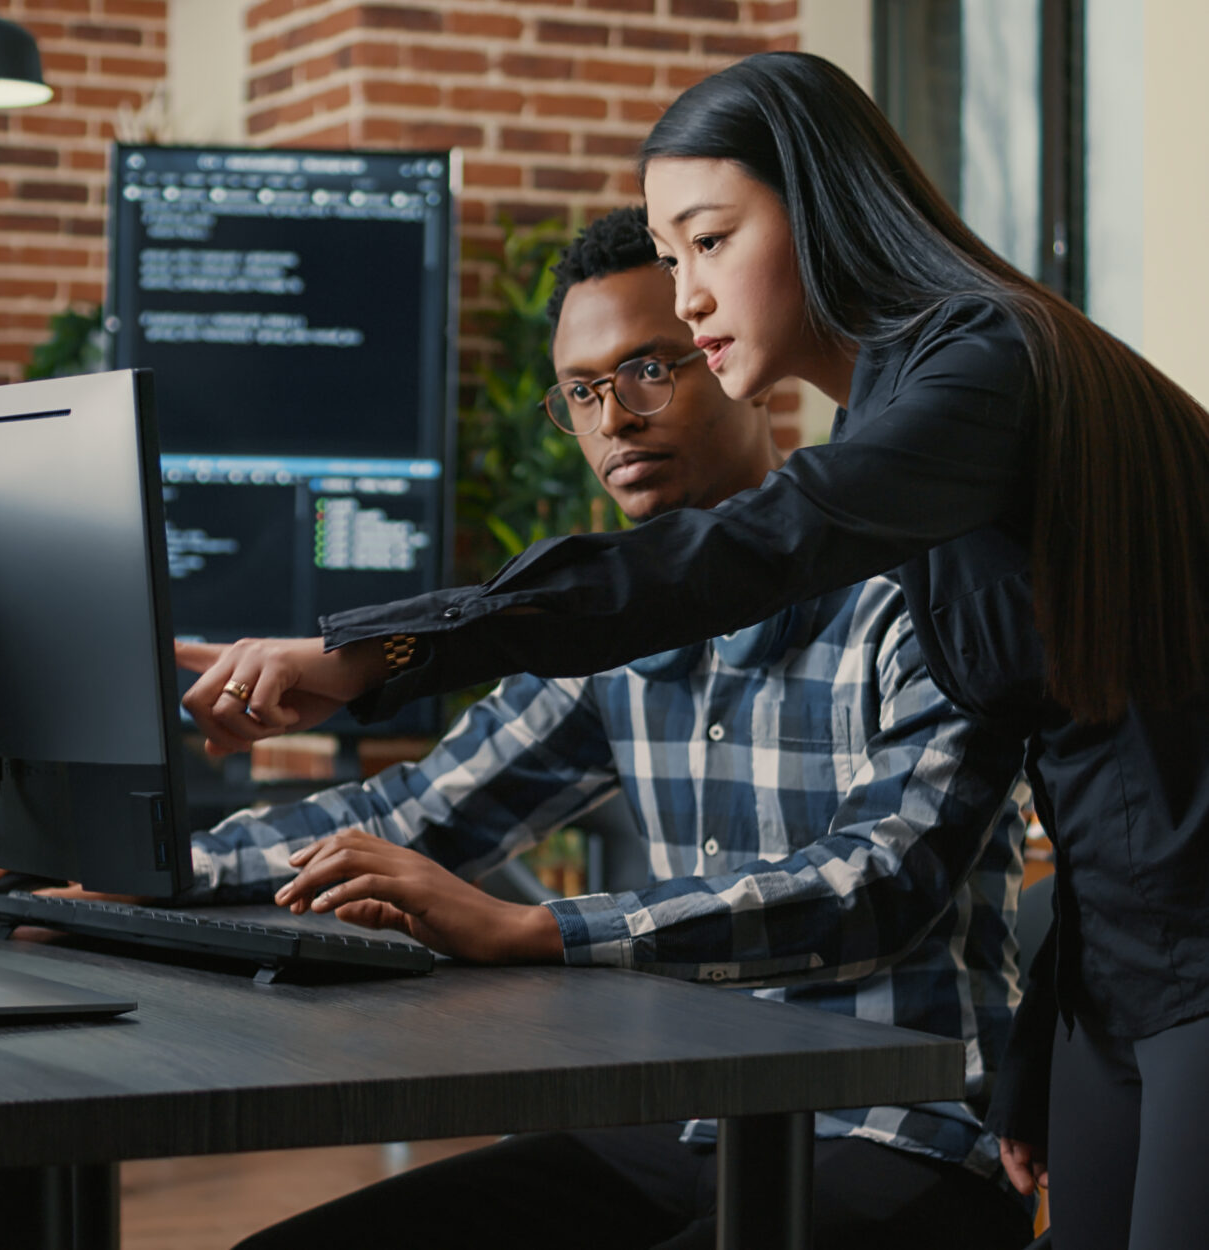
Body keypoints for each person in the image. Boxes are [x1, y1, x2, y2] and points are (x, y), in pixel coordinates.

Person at [181, 54, 1209, 1250]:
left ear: (821, 205)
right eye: (672, 259)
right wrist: (1043, 1033)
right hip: (1114, 983)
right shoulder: (914, 423)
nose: (692, 296)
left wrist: (381, 648)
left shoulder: (982, 363)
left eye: (711, 242)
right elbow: (1106, 751)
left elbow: (746, 552)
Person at [77, 208, 1021, 1248]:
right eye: (581, 391)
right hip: (685, 1120)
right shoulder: (606, 633)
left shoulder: (915, 596)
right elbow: (413, 811)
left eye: (649, 370)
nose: (613, 418)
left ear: (731, 361)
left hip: (903, 1134)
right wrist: (138, 866)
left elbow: (876, 885)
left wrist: (539, 928)